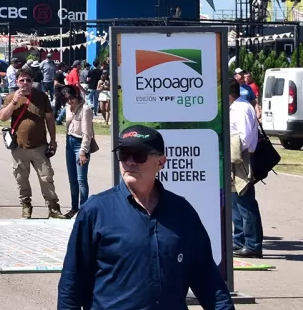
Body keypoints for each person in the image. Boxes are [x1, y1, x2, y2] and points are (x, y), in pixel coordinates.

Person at [58, 125, 234, 310]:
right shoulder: (95, 211)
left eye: (139, 155)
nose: (130, 162)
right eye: (124, 154)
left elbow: (208, 280)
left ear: (161, 162)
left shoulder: (183, 212)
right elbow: (72, 282)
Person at [0, 71, 64, 219]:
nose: (25, 83)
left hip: (40, 146)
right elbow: (2, 117)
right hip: (19, 147)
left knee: (46, 177)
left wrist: (53, 141)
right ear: (17, 82)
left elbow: (50, 120)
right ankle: (26, 205)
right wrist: (15, 101)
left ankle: (53, 208)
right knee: (21, 179)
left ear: (32, 81)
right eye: (22, 80)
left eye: (28, 80)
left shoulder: (41, 97)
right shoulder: (11, 97)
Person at [229, 80, 263, 257]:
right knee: (235, 201)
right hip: (235, 159)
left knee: (245, 202)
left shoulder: (241, 109)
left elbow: (245, 139)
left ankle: (253, 244)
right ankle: (239, 240)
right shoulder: (236, 107)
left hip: (241, 158)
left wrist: (232, 153)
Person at [61, 85, 93, 219]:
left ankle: (83, 209)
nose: (69, 101)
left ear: (76, 95)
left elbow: (87, 133)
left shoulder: (85, 109)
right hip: (69, 142)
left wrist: (83, 151)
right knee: (72, 179)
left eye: (71, 98)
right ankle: (74, 207)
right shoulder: (68, 108)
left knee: (81, 180)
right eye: (67, 99)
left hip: (80, 144)